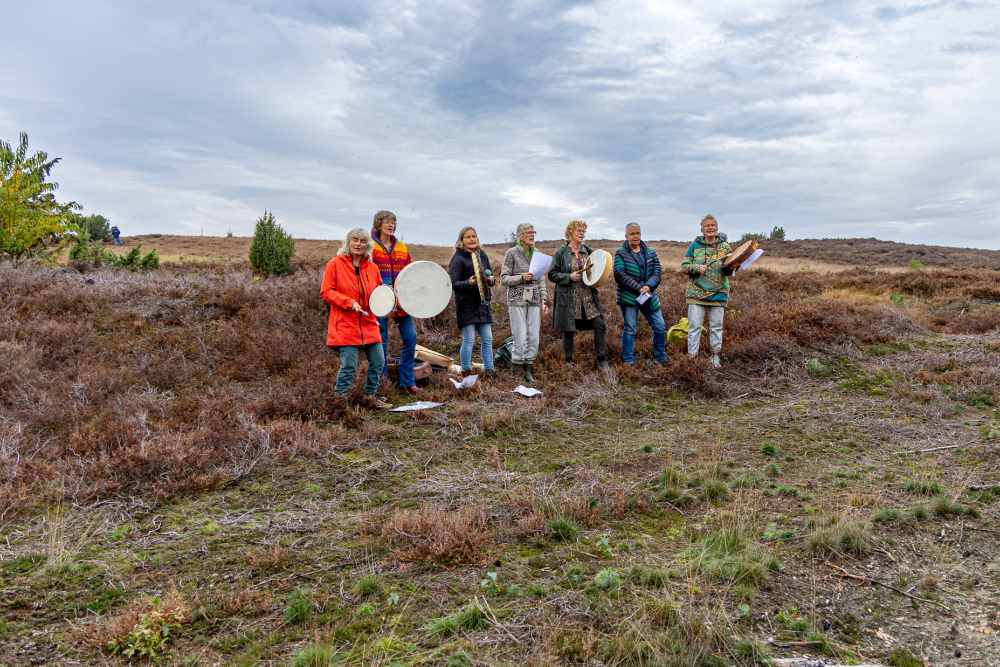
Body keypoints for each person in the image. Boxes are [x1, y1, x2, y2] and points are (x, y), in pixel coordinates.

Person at [320, 228, 391, 408]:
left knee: (378, 362)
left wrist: (390, 301)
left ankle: (370, 396)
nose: (358, 244)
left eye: (362, 241)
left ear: (368, 245)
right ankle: (340, 400)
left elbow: (378, 294)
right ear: (348, 242)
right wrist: (348, 302)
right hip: (344, 323)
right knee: (349, 364)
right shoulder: (334, 264)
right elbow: (326, 292)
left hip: (368, 323)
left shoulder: (373, 268)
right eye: (355, 240)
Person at [370, 210, 421, 394]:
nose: (391, 225)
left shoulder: (401, 247)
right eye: (387, 222)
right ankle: (381, 383)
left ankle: (407, 381)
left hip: (401, 302)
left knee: (411, 338)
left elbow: (410, 270)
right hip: (379, 301)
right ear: (378, 224)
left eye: (394, 222)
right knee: (381, 342)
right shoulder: (370, 246)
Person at [548, 220, 607, 369]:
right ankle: (568, 362)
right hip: (569, 297)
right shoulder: (561, 252)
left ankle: (601, 360)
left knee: (600, 324)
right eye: (579, 230)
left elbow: (597, 271)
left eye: (583, 231)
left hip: (587, 297)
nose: (582, 233)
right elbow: (552, 275)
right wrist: (568, 277)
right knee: (569, 329)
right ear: (570, 233)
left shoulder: (588, 252)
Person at [680, 214, 734, 367]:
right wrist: (695, 268)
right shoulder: (694, 246)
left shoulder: (725, 247)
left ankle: (715, 356)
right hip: (696, 293)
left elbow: (729, 270)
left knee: (716, 327)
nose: (710, 228)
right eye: (707, 226)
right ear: (702, 229)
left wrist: (733, 267)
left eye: (713, 225)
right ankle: (692, 358)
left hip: (718, 293)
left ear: (717, 228)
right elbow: (684, 266)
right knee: (694, 328)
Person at [500, 223, 549, 382]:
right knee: (520, 337)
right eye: (528, 232)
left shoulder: (538, 254)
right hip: (517, 300)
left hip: (534, 300)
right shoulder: (512, 253)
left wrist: (544, 300)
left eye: (533, 232)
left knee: (533, 337)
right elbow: (503, 279)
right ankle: (515, 371)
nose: (532, 235)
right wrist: (521, 278)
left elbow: (541, 280)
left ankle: (528, 371)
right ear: (520, 236)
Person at [614, 223, 666, 365]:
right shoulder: (620, 253)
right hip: (629, 297)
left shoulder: (650, 252)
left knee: (660, 326)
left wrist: (648, 286)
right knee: (630, 328)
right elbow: (619, 274)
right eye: (632, 234)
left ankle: (660, 357)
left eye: (638, 233)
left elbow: (657, 271)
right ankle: (629, 361)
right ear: (626, 236)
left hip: (649, 296)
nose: (635, 236)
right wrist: (639, 288)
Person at [449, 227, 497, 375]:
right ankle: (466, 370)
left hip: (482, 303)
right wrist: (468, 283)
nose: (472, 239)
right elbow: (454, 284)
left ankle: (489, 370)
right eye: (468, 237)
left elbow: (489, 274)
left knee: (487, 339)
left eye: (474, 236)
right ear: (461, 240)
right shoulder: (458, 258)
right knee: (469, 339)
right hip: (466, 304)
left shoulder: (482, 255)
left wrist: (491, 280)